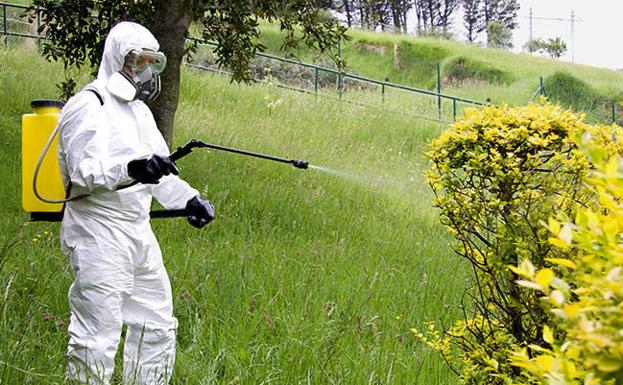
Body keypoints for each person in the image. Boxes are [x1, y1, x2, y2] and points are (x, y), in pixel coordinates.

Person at [56, 21, 214, 384]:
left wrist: (189, 199)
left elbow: (162, 172)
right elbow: (83, 172)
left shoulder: (141, 113)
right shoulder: (88, 105)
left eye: (149, 62)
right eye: (137, 61)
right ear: (117, 58)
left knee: (156, 323)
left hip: (138, 231)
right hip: (97, 229)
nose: (143, 70)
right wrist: (131, 168)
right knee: (97, 334)